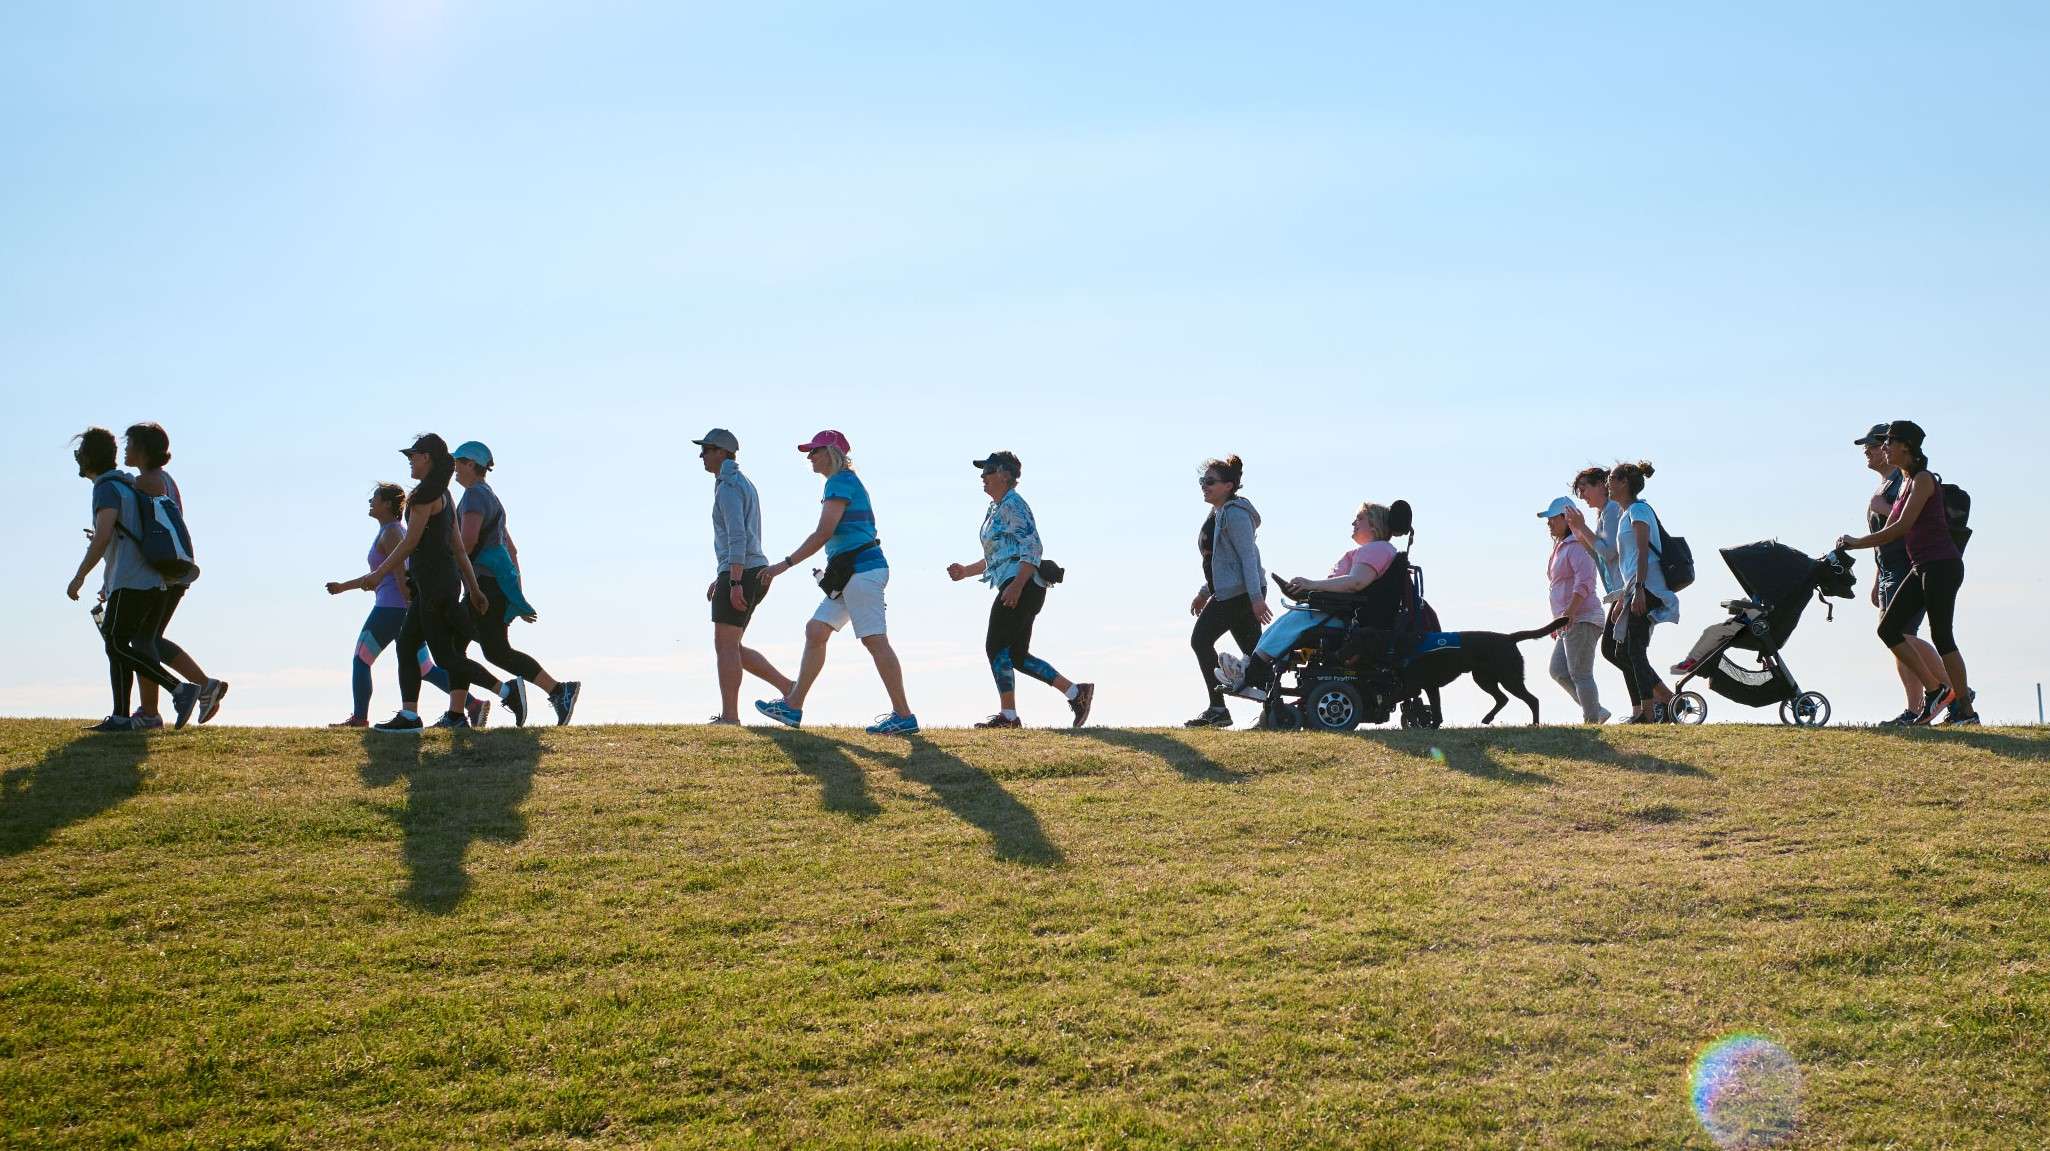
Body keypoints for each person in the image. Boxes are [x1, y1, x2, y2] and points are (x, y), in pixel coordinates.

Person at [326, 434, 502, 731]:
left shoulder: (401, 523)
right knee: (427, 664)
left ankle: (362, 717)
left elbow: (404, 558)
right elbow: (456, 548)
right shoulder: (437, 498)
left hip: (399, 604)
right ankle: (466, 705)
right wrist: (345, 586)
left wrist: (397, 590)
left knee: (364, 658)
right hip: (421, 595)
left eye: (413, 455)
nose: (410, 460)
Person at [753, 430, 919, 735]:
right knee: (816, 630)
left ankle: (903, 715)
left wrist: (783, 565)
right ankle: (793, 706)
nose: (810, 457)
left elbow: (823, 533)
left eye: (815, 451)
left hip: (861, 571)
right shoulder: (843, 482)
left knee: (875, 640)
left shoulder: (839, 482)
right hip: (851, 573)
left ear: (831, 453)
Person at [1837, 420, 1977, 725]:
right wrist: (1863, 551)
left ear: (1906, 447)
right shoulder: (1905, 482)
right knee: (1889, 630)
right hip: (1920, 566)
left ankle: (1966, 710)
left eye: (1889, 442)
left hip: (1941, 565)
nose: (1884, 447)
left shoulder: (1924, 480)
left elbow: (1901, 527)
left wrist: (1857, 542)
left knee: (1942, 637)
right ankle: (1937, 691)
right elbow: (1888, 530)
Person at [946, 451, 1094, 728]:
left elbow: (1032, 547)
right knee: (1016, 655)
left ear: (1004, 475)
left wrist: (1016, 585)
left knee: (995, 646)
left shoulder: (1013, 505)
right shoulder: (997, 508)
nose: (982, 476)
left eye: (988, 471)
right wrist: (966, 571)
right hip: (1020, 584)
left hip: (1022, 584)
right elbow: (998, 555)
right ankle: (1076, 692)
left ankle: (1009, 716)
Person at [66, 427, 199, 731]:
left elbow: (103, 536)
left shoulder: (106, 489)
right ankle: (121, 716)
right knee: (120, 643)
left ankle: (180, 690)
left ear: (90, 458)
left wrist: (79, 576)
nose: (77, 459)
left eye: (79, 454)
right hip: (152, 580)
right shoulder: (127, 485)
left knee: (116, 644)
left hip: (131, 579)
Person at [452, 441, 581, 725]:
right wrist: (515, 593)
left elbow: (468, 541)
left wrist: (448, 563)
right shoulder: (490, 497)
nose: (454, 468)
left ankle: (558, 690)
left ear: (471, 465)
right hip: (490, 585)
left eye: (458, 462)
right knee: (457, 646)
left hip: (482, 587)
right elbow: (511, 549)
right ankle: (456, 714)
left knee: (494, 651)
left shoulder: (474, 495)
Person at [1216, 502, 1400, 700]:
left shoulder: (1377, 549)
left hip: (1346, 619)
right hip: (1339, 611)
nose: (1353, 523)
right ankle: (1251, 667)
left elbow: (1356, 583)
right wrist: (1305, 592)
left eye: (1360, 519)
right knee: (1293, 616)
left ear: (1374, 524)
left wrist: (1311, 585)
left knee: (1296, 619)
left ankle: (1252, 673)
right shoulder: (1376, 550)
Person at [122, 423, 228, 728]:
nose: (125, 449)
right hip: (178, 568)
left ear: (143, 449)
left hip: (163, 572)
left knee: (142, 641)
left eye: (129, 443)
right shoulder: (166, 479)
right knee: (150, 638)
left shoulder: (146, 482)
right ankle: (205, 685)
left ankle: (150, 712)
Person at [1854, 423, 1950, 725]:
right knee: (1898, 641)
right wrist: (1877, 579)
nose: (1869, 451)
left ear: (1894, 446)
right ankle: (1915, 708)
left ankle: (1954, 691)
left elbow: (1908, 522)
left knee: (1902, 634)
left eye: (1874, 444)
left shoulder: (1903, 481)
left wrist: (1882, 507)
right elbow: (1883, 540)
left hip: (1907, 566)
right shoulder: (1885, 485)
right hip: (1889, 570)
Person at [696, 428, 792, 725]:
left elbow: (737, 536)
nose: (701, 455)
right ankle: (790, 688)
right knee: (733, 646)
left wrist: (734, 580)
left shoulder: (728, 486)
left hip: (742, 573)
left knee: (725, 646)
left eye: (707, 449)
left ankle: (730, 717)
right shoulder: (741, 482)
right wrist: (723, 575)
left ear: (722, 452)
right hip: (748, 570)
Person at [1185, 455, 1271, 728]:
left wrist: (1256, 599)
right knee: (1255, 654)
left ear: (1228, 486)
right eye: (1203, 480)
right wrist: (1204, 591)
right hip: (1230, 592)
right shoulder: (1218, 512)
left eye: (1210, 481)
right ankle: (1275, 709)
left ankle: (1218, 709)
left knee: (1201, 640)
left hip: (1240, 595)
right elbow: (1221, 562)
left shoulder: (1236, 514)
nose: (1204, 485)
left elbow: (1247, 558)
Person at [1603, 461, 1679, 723]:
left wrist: (1638, 591)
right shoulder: (1626, 513)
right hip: (1635, 587)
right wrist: (1624, 598)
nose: (1608, 483)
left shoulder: (1639, 510)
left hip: (1649, 588)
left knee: (1634, 650)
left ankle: (1648, 713)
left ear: (1624, 482)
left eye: (1611, 479)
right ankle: (1654, 707)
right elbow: (1630, 562)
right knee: (1622, 652)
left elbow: (1643, 553)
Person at [1539, 496, 1609, 724]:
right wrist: (1558, 622)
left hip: (1582, 617)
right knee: (1559, 671)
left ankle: (1591, 721)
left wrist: (1569, 612)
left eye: (1553, 518)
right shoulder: (1561, 546)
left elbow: (1585, 582)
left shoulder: (1578, 544)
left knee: (1581, 673)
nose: (1549, 523)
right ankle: (1596, 712)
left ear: (1566, 518)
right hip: (1568, 620)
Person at [1563, 466, 1624, 604]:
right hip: (1619, 591)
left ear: (1601, 485)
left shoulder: (1612, 508)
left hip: (1626, 590)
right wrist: (1579, 534)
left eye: (1583, 489)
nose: (1582, 496)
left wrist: (1582, 527)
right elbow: (1598, 555)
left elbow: (1609, 553)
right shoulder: (1605, 512)